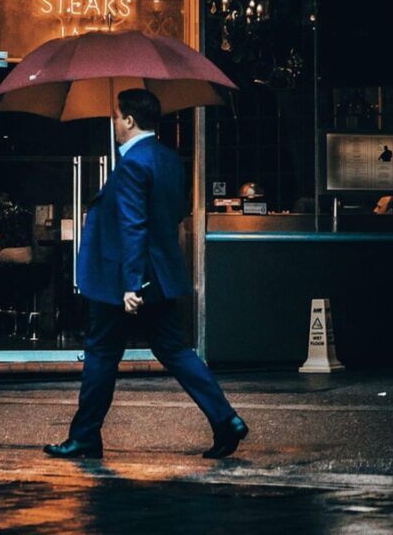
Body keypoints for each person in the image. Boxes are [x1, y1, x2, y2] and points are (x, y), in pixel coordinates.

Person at [44, 89, 248, 460]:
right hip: (160, 274)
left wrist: (130, 284)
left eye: (116, 116)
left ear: (130, 121)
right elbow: (168, 216)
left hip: (122, 281)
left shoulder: (133, 164)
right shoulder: (168, 159)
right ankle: (225, 419)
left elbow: (133, 226)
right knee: (174, 349)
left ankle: (86, 436)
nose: (114, 123)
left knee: (102, 354)